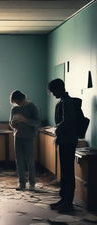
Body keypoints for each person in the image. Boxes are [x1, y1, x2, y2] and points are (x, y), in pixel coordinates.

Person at [48, 79, 78, 213]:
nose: (53, 94)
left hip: (68, 140)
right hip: (65, 140)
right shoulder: (62, 101)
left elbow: (69, 120)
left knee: (68, 172)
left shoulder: (67, 102)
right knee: (65, 172)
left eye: (54, 91)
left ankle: (68, 202)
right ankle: (64, 199)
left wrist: (57, 129)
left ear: (60, 88)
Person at [9, 90, 40, 191]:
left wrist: (24, 120)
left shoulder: (31, 107)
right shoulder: (14, 109)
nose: (17, 104)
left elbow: (37, 122)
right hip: (17, 136)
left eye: (18, 102)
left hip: (29, 137)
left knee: (30, 160)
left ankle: (32, 183)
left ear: (22, 99)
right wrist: (13, 124)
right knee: (19, 161)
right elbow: (11, 123)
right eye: (15, 102)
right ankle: (21, 183)